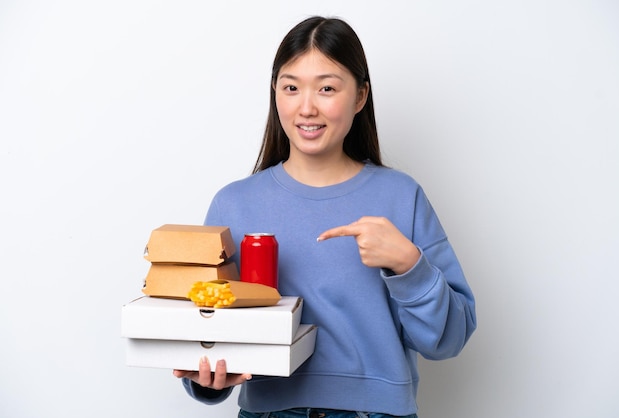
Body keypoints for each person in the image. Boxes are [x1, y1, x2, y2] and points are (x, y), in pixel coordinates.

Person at [173, 16, 477, 418]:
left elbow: (448, 340)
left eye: (327, 88)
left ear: (360, 96)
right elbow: (206, 330)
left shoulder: (401, 197)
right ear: (275, 94)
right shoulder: (234, 205)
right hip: (268, 411)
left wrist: (409, 265)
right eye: (291, 87)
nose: (307, 107)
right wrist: (204, 380)